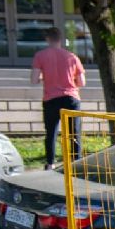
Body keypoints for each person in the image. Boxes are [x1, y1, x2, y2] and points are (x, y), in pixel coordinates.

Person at [30, 26, 86, 168]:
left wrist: (46, 77)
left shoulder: (40, 56)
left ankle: (50, 163)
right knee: (74, 132)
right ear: (60, 39)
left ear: (47, 39)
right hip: (71, 98)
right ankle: (76, 162)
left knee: (51, 132)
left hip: (51, 99)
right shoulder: (72, 57)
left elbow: (34, 80)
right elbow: (81, 82)